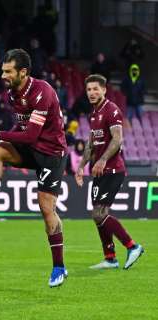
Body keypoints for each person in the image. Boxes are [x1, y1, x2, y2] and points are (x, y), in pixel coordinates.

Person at [0, 49, 68, 287]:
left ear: (23, 72)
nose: (3, 75)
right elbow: (22, 132)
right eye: (2, 70)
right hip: (31, 148)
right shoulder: (12, 93)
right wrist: (1, 140)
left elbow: (31, 135)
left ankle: (59, 267)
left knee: (46, 209)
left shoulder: (42, 92)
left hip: (50, 154)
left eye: (8, 71)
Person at [75, 74, 144, 270]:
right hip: (99, 172)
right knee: (98, 215)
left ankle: (133, 246)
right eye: (89, 90)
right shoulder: (93, 113)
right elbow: (90, 143)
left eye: (96, 89)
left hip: (113, 170)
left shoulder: (111, 110)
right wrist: (81, 166)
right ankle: (110, 257)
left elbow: (118, 139)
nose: (92, 93)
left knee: (99, 213)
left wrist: (103, 159)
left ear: (104, 90)